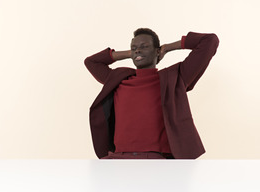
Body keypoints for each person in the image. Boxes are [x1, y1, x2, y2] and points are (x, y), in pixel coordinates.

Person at [84, 28, 219, 159]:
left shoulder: (175, 77)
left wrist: (167, 48)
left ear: (157, 51)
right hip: (119, 158)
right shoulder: (118, 79)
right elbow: (91, 62)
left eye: (144, 46)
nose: (138, 50)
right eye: (134, 47)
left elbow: (210, 40)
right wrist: (131, 53)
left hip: (156, 160)